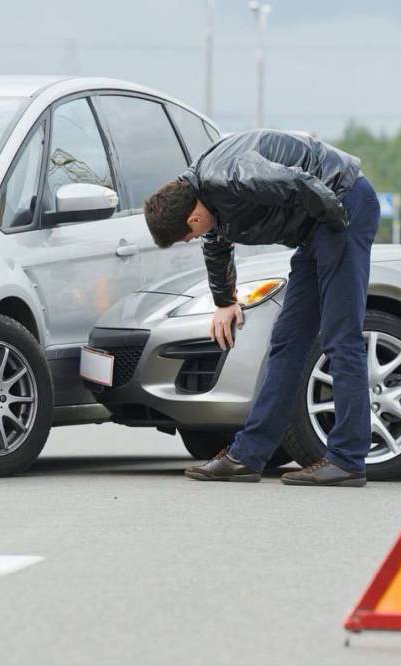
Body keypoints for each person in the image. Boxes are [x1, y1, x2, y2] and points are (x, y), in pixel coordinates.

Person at [144, 130, 380, 487]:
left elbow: (299, 183)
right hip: (317, 227)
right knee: (286, 341)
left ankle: (347, 458)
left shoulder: (233, 176)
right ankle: (248, 456)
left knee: (340, 336)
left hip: (341, 207)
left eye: (186, 237)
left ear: (192, 219)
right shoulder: (202, 193)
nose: (193, 239)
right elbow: (217, 242)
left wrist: (337, 231)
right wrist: (224, 302)